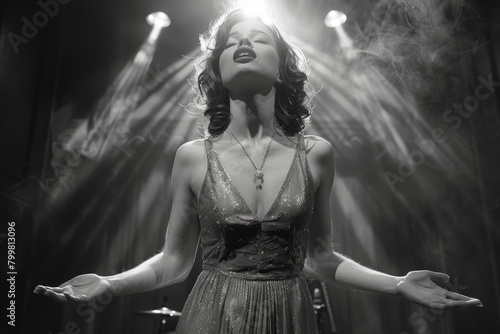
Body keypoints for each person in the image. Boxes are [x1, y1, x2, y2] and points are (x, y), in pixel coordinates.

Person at [34, 8, 482, 334]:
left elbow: (320, 257)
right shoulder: (192, 156)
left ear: (284, 66)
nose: (242, 44)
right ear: (217, 68)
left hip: (289, 315)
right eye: (231, 41)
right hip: (211, 317)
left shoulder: (317, 153)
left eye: (259, 38)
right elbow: (173, 262)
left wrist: (399, 284)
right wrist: (109, 283)